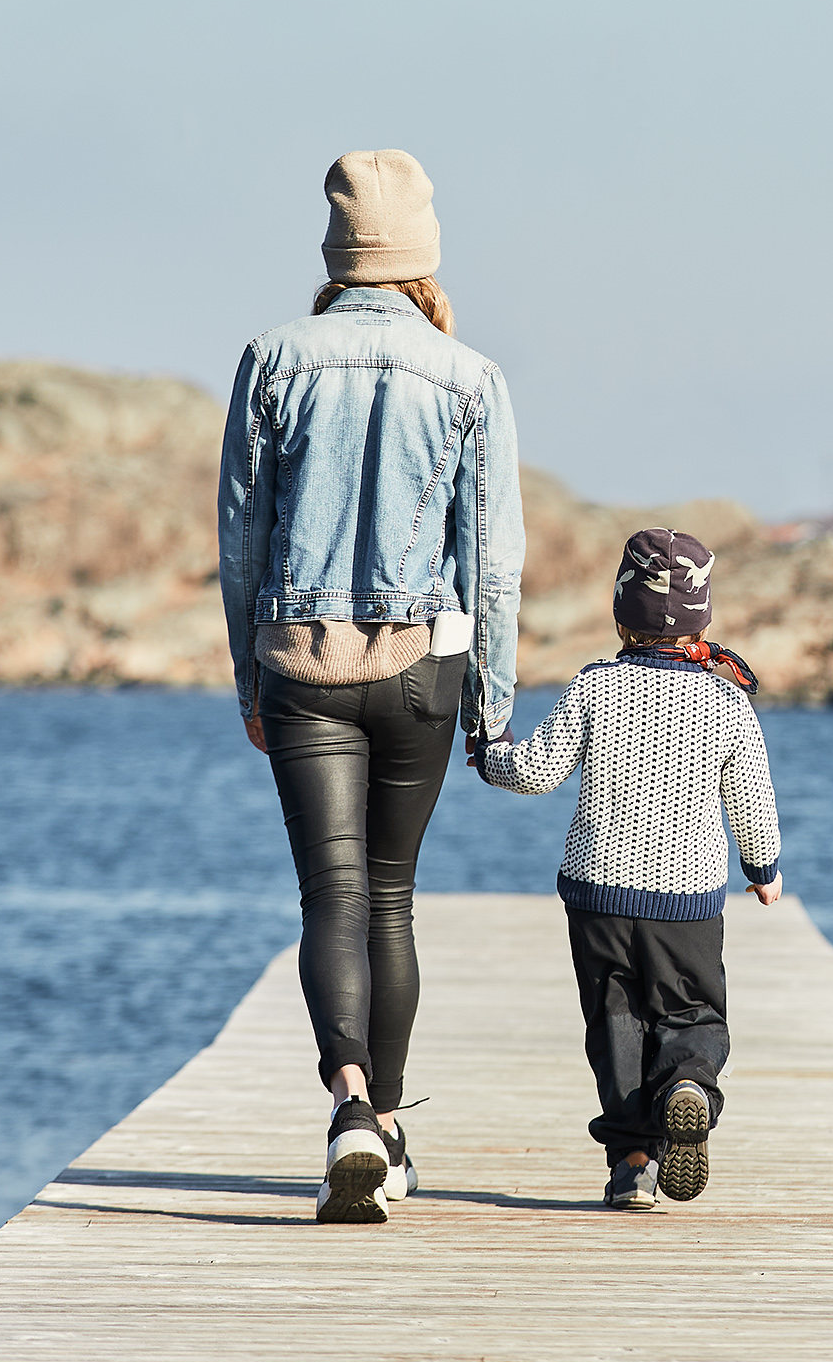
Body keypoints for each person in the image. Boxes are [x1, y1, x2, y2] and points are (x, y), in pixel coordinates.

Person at [218, 149, 523, 1224]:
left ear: (337, 254)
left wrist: (249, 679)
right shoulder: (469, 372)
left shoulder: (271, 357)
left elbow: (241, 540)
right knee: (390, 899)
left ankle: (349, 1101)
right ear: (422, 258)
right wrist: (492, 707)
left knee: (331, 899)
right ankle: (384, 1126)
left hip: (299, 663)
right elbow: (492, 559)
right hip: (421, 666)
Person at [471, 526, 782, 1211]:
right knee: (690, 1010)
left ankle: (632, 1164)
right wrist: (764, 869)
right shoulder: (728, 702)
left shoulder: (595, 686)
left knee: (615, 1019)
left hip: (599, 896)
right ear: (702, 616)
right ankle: (688, 1085)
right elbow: (752, 802)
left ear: (620, 612)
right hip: (688, 903)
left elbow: (536, 771)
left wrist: (489, 753)